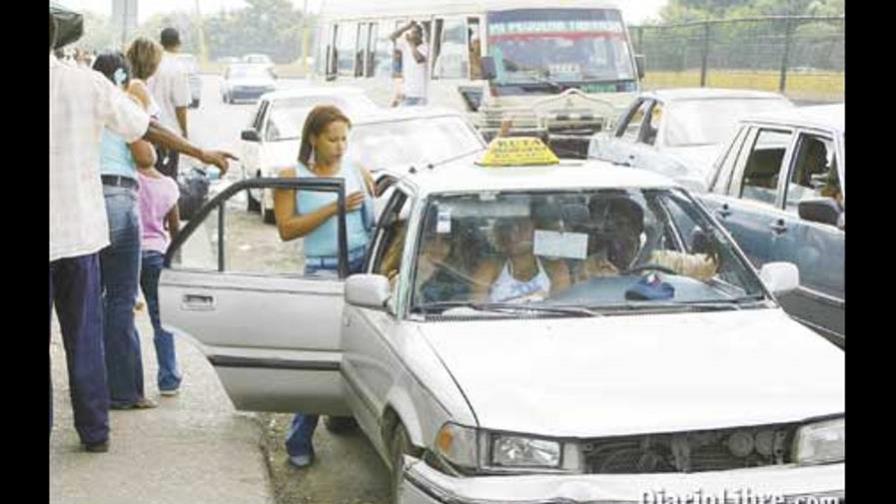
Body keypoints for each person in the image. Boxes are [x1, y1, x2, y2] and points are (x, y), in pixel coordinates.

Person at [50, 11, 235, 452]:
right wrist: (201, 151)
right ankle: (94, 433)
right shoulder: (85, 83)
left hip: (77, 233)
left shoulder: (86, 81)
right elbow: (143, 127)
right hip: (77, 235)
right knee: (84, 339)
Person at [272, 105, 376, 468]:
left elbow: (374, 218)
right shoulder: (293, 175)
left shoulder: (356, 170)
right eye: (332, 139)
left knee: (366, 353)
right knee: (320, 355)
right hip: (322, 271)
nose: (340, 146)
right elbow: (287, 229)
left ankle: (350, 418)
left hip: (364, 265)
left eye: (345, 138)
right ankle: (299, 437)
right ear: (313, 138)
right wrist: (334, 206)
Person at [92, 51, 159, 410]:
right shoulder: (123, 105)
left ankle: (91, 387)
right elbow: (146, 157)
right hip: (118, 197)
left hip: (86, 200)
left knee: (90, 299)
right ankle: (123, 390)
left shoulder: (84, 104)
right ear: (124, 76)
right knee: (120, 298)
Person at [137, 155, 183, 397]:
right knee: (161, 319)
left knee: (117, 315)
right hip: (156, 254)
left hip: (126, 255)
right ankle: (169, 379)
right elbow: (176, 231)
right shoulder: (169, 185)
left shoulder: (129, 180)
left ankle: (118, 377)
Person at [472, 214, 571, 303]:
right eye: (508, 228)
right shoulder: (490, 267)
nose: (513, 235)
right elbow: (478, 307)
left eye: (523, 228)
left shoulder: (554, 267)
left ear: (538, 231)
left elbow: (561, 306)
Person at [147, 27, 192, 179]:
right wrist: (184, 132)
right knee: (168, 181)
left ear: (160, 42)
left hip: (147, 130)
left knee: (149, 179)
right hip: (169, 134)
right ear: (179, 43)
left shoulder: (151, 63)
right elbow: (181, 106)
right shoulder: (178, 68)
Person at [389, 21, 429, 106]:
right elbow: (392, 37)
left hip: (420, 94)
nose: (412, 35)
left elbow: (419, 59)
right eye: (411, 33)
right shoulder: (405, 46)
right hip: (407, 93)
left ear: (420, 35)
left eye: (415, 33)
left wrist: (411, 43)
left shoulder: (425, 47)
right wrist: (407, 27)